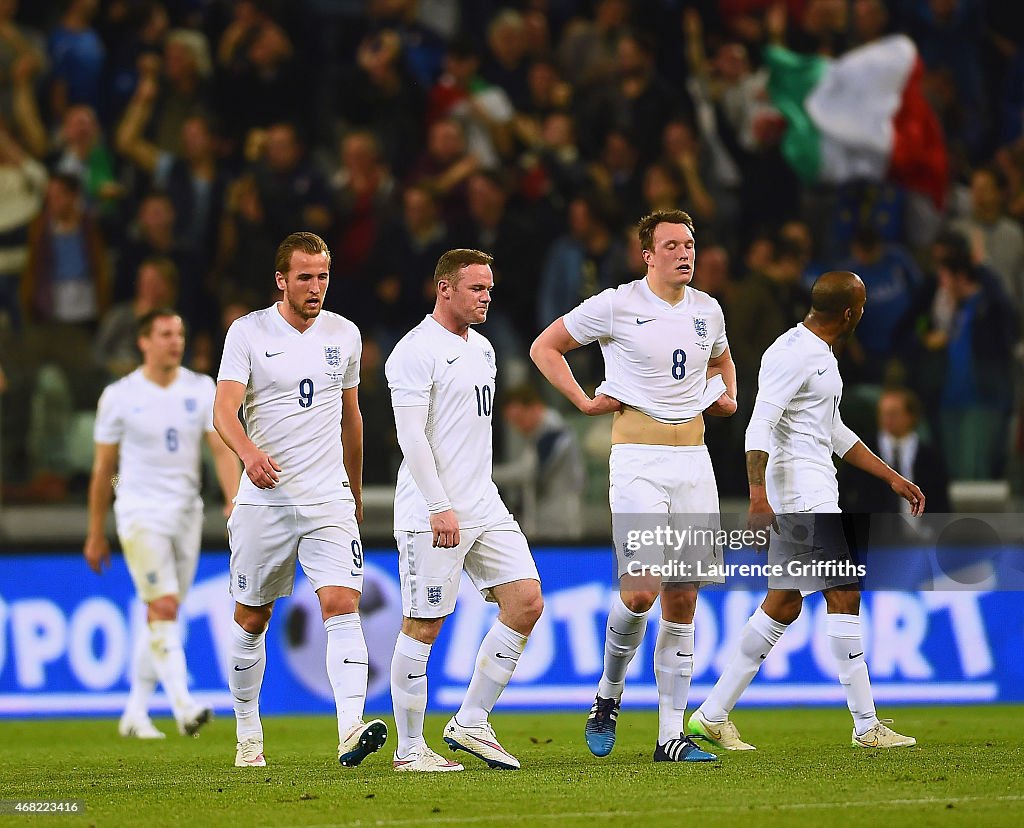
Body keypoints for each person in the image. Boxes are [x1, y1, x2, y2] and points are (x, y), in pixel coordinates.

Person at [530, 209, 738, 764]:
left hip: (694, 461)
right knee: (641, 592)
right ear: (647, 254)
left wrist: (727, 395)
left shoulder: (707, 311)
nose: (684, 253)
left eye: (689, 244)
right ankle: (609, 693)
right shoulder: (617, 304)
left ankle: (671, 736)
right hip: (638, 461)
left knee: (684, 597)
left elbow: (723, 360)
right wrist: (581, 399)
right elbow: (545, 347)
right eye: (671, 245)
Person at [687, 271, 925, 751]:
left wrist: (892, 477)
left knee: (785, 603)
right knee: (845, 593)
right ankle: (866, 726)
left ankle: (712, 714)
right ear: (849, 314)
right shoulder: (794, 354)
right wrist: (758, 498)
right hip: (800, 495)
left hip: (812, 488)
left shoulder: (819, 355)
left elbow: (833, 431)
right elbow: (759, 425)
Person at [213, 231, 386, 769]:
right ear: (281, 281)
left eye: (323, 276)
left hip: (327, 496)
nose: (316, 288)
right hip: (265, 498)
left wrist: (354, 493)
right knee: (251, 619)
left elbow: (351, 418)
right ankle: (247, 734)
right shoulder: (247, 333)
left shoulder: (345, 335)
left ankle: (350, 727)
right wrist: (248, 454)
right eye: (305, 277)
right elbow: (223, 411)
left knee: (342, 605)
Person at [385, 248, 544, 773]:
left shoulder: (484, 348)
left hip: (484, 501)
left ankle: (471, 721)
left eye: (489, 289)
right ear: (444, 288)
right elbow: (410, 434)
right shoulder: (414, 350)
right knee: (422, 626)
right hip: (435, 508)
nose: (486, 297)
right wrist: (438, 505)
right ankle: (410, 750)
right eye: (476, 288)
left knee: (526, 602)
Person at [85, 308, 240, 739]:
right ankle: (183, 705)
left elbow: (222, 449)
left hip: (186, 512)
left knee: (162, 612)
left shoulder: (200, 388)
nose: (176, 341)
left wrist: (234, 498)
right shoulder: (119, 396)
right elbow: (104, 470)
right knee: (165, 605)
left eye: (180, 333)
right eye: (166, 333)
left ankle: (135, 712)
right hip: (138, 510)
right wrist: (96, 531)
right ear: (144, 341)